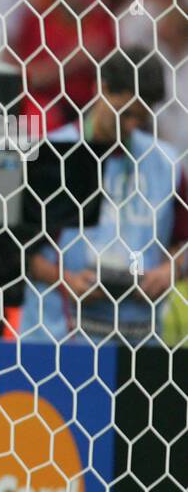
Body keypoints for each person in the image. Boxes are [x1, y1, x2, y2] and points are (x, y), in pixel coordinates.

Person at [20, 47, 188, 344]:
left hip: (139, 343)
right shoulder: (50, 155)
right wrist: (65, 279)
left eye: (142, 117)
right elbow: (18, 253)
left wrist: (168, 270)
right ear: (101, 89)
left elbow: (181, 242)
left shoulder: (166, 163)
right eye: (126, 113)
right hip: (59, 337)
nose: (132, 126)